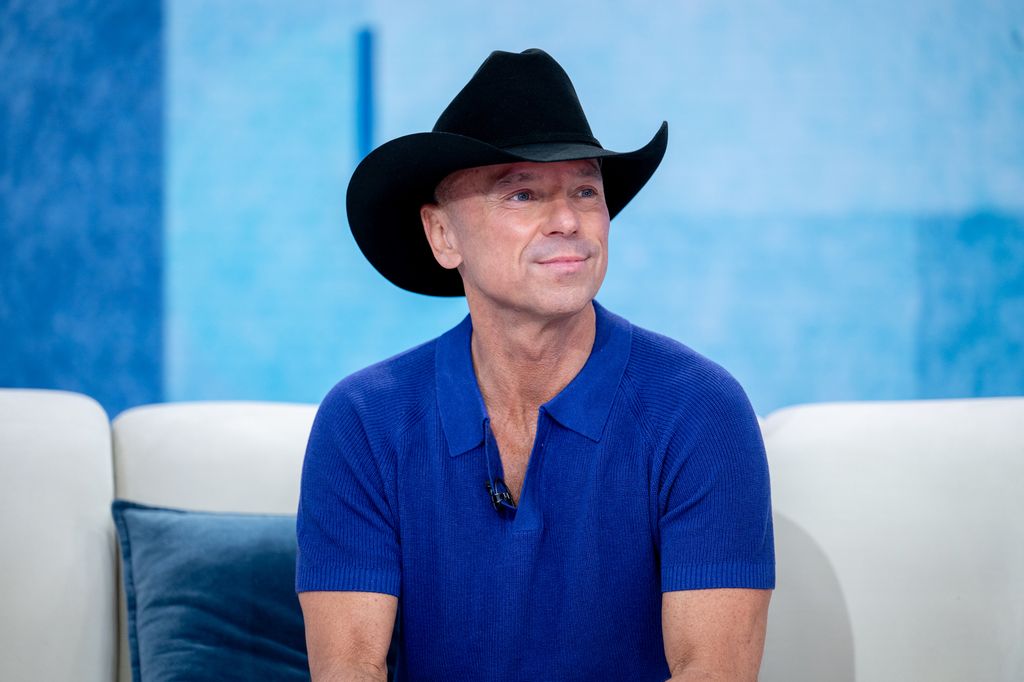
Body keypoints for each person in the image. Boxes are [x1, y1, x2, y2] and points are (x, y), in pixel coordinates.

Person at [296, 48, 774, 682]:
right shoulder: (362, 421)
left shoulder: (701, 408)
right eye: (522, 193)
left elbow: (711, 674)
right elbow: (349, 671)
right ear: (442, 235)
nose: (570, 220)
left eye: (585, 190)